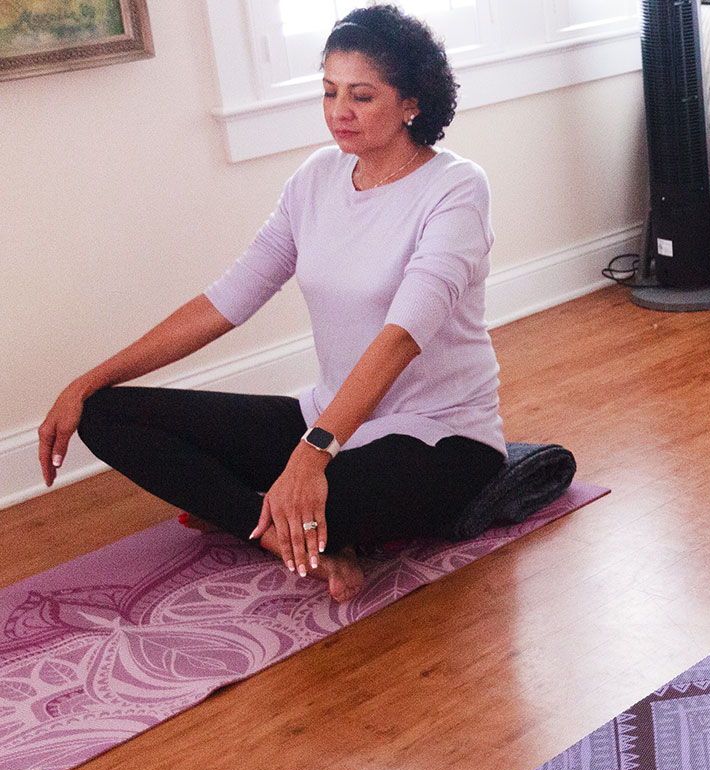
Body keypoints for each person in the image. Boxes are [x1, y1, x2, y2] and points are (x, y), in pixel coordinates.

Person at [36, 5, 504, 603]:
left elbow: (400, 338)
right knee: (103, 414)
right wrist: (85, 380)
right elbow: (225, 301)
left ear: (412, 102)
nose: (339, 112)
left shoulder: (457, 188)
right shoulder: (315, 179)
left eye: (362, 95)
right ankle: (281, 532)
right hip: (326, 417)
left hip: (442, 438)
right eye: (330, 91)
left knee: (332, 496)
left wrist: (311, 456)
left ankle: (260, 513)